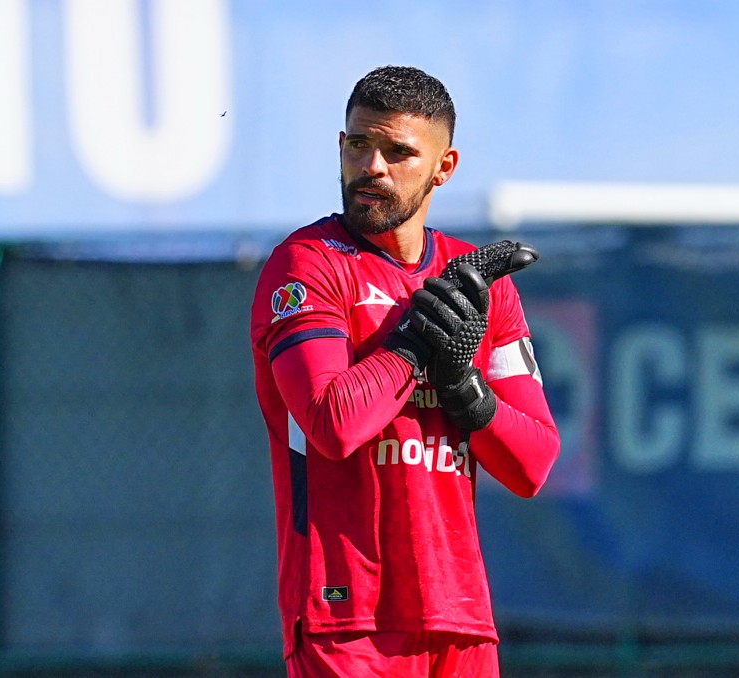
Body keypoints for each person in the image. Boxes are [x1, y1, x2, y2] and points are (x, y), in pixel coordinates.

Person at [249, 65, 561, 677]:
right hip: (347, 621)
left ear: (443, 168)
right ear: (340, 146)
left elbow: (533, 463)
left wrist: (463, 388)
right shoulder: (305, 266)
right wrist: (417, 349)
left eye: (398, 152)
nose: (372, 167)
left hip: (461, 618)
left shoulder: (477, 283)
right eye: (359, 144)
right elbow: (331, 423)